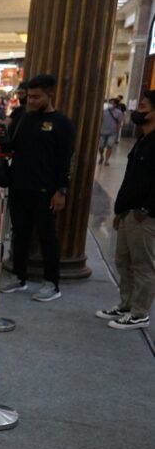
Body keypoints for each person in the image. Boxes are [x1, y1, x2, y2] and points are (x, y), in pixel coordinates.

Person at [1, 74, 75, 302]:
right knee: (20, 234)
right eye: (29, 96)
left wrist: (61, 190)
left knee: (47, 237)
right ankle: (19, 276)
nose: (31, 101)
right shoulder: (23, 118)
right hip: (19, 186)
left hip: (46, 191)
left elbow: (66, 160)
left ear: (49, 94)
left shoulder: (62, 123)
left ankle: (52, 283)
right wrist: (3, 131)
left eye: (36, 97)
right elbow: (10, 147)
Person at [95, 89, 155, 330]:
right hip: (129, 212)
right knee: (124, 261)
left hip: (145, 215)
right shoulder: (143, 140)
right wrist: (120, 210)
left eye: (143, 107)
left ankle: (140, 312)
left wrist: (146, 209)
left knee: (143, 265)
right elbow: (131, 178)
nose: (137, 111)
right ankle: (126, 305)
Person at [99, 98, 123, 166]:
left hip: (112, 132)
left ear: (116, 104)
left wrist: (117, 131)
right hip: (103, 131)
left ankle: (106, 160)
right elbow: (100, 120)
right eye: (110, 102)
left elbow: (119, 122)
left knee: (109, 146)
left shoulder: (119, 113)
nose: (111, 104)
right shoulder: (104, 111)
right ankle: (101, 156)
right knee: (101, 146)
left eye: (112, 103)